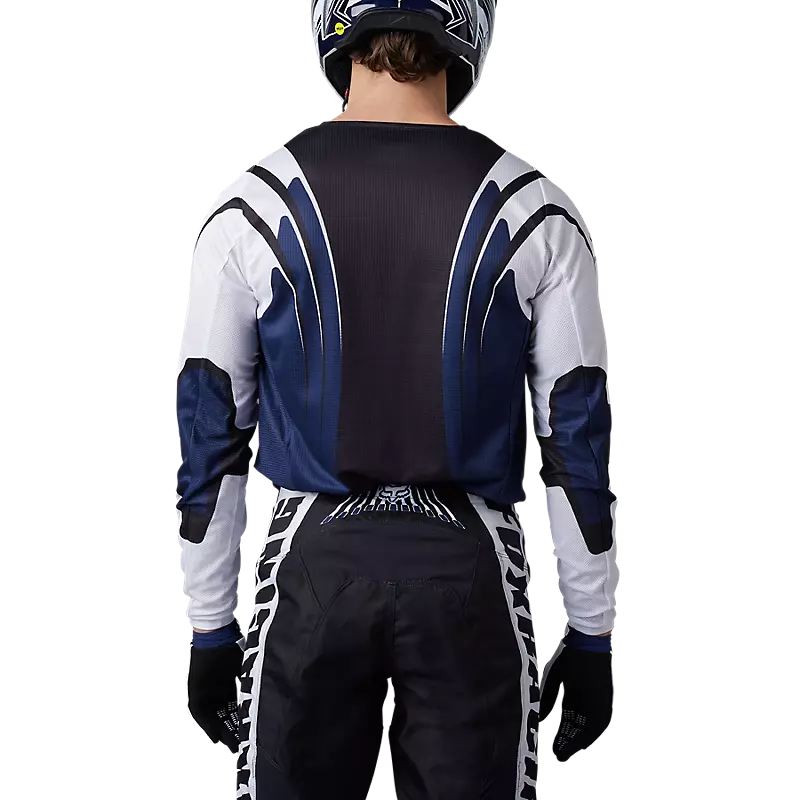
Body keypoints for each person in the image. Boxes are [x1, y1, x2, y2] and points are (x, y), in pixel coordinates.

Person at [175, 2, 619, 798]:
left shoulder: (252, 206)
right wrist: (592, 634)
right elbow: (576, 448)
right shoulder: (538, 212)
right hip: (470, 569)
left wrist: (210, 628)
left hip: (312, 568)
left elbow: (211, 440)